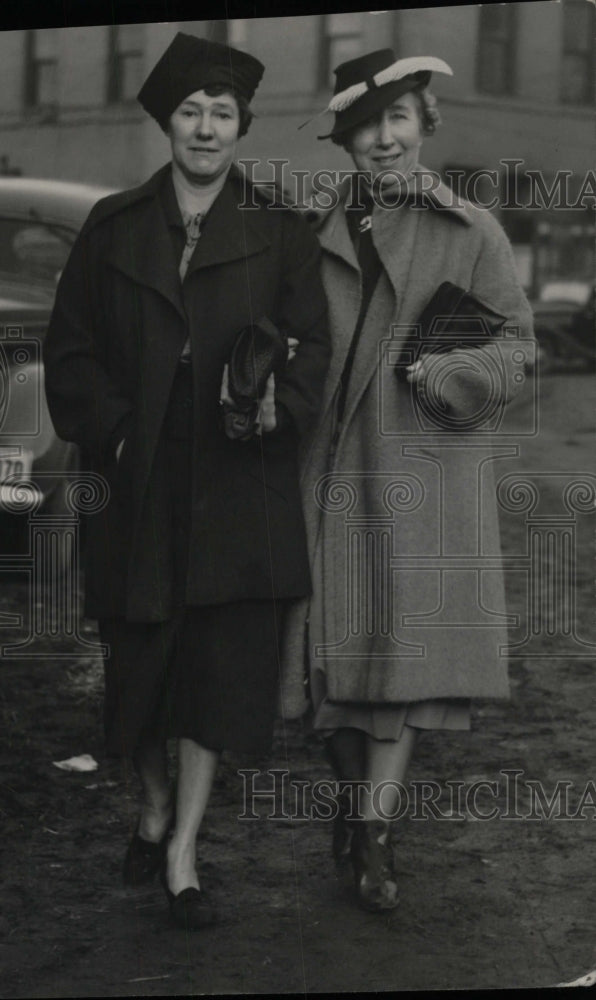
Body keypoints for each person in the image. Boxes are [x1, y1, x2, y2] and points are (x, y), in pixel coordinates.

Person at [43, 31, 329, 929]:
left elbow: (311, 345)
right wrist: (120, 436)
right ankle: (154, 801)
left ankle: (182, 850)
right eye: (191, 112)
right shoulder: (113, 227)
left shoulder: (280, 231)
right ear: (167, 121)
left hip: (238, 489)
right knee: (142, 664)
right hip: (141, 487)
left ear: (242, 127)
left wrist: (279, 401)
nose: (206, 128)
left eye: (223, 113)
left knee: (218, 668)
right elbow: (71, 351)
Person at [280, 48, 534, 912]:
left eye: (398, 120)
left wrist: (452, 376)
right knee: (330, 673)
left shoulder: (474, 232)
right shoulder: (308, 227)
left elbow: (517, 349)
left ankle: (375, 837)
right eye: (364, 126)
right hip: (323, 474)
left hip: (419, 471)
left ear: (425, 124)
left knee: (405, 670)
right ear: (345, 140)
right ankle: (355, 816)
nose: (383, 140)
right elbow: (279, 338)